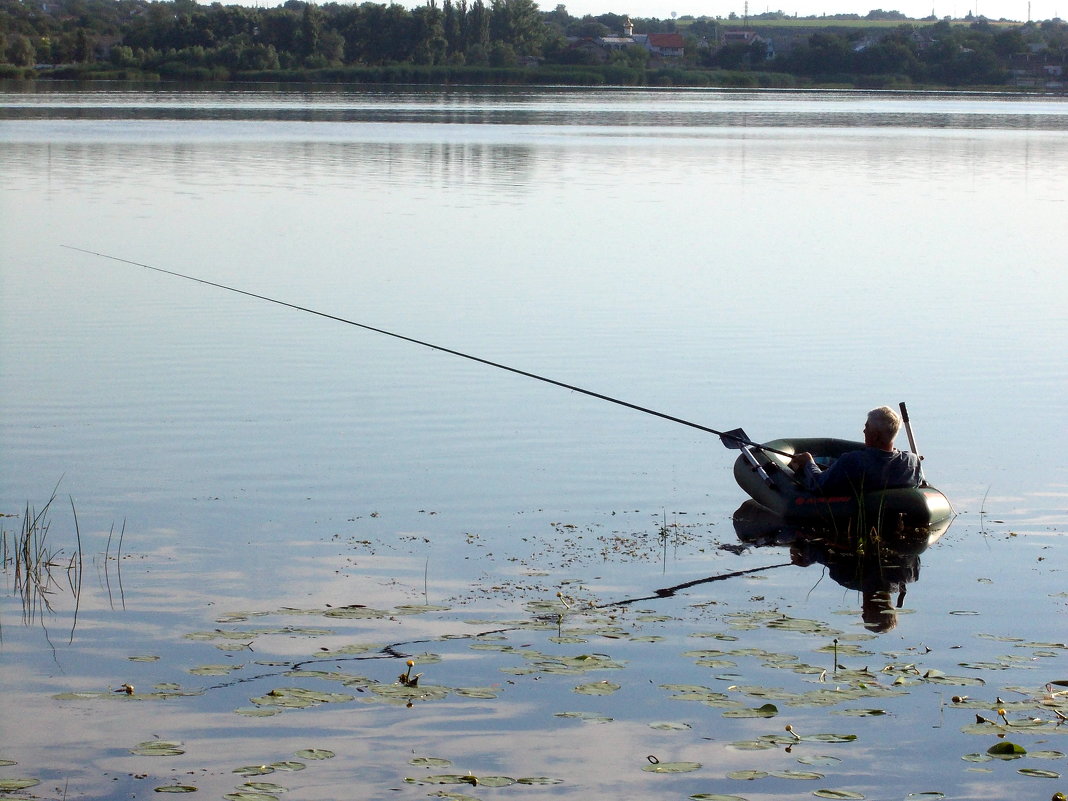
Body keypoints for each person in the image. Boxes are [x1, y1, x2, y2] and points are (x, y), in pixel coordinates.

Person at [788, 406, 923, 496]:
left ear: (875, 435)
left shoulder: (853, 460)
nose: (863, 430)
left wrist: (808, 462)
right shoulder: (912, 461)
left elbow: (818, 484)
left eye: (867, 427)